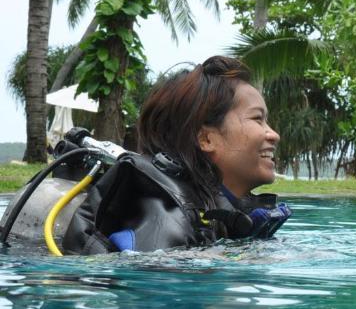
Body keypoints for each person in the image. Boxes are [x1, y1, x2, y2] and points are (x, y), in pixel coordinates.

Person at [62, 56, 291, 254]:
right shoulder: (167, 221)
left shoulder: (211, 212)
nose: (274, 135)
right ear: (206, 139)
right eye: (257, 119)